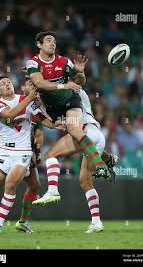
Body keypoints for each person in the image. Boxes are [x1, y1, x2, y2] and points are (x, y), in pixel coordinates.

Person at [25, 31, 109, 203]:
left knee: (73, 129)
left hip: (72, 103)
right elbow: (40, 83)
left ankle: (100, 164)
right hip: (56, 111)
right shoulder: (33, 62)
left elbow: (79, 82)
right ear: (39, 45)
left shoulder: (64, 61)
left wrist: (80, 73)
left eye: (54, 41)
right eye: (48, 40)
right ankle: (106, 158)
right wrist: (64, 85)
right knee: (61, 149)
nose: (52, 43)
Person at [0, 76, 62, 234]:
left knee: (10, 184)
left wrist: (55, 124)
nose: (7, 84)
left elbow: (41, 119)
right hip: (2, 150)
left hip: (22, 151)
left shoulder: (26, 99)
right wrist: (30, 98)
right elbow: (10, 115)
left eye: (9, 82)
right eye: (3, 84)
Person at [33, 88, 118, 233]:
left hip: (84, 131)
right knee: (85, 182)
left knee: (51, 155)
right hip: (97, 134)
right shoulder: (67, 95)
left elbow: (76, 80)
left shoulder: (71, 91)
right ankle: (96, 222)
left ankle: (53, 190)